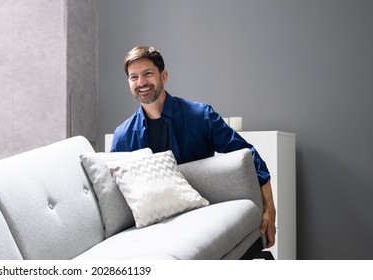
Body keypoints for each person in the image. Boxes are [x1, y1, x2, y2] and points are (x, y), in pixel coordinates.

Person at [111, 45, 276, 249]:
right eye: (133, 77)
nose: (141, 82)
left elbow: (248, 155)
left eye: (147, 74)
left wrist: (270, 207)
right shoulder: (122, 136)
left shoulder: (200, 116)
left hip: (201, 217)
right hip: (151, 232)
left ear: (164, 76)